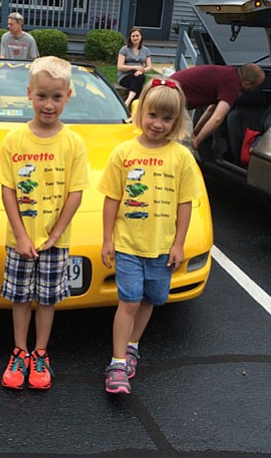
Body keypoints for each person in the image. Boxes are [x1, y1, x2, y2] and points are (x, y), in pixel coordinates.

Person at [0, 56, 89, 390]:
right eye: (42, 96)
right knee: (20, 298)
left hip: (54, 242)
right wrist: (20, 235)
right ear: (29, 93)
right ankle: (19, 352)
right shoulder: (14, 140)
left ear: (68, 96)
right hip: (20, 240)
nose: (49, 104)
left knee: (47, 300)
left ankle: (41, 353)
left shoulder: (73, 143)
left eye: (57, 97)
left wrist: (56, 233)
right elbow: (7, 189)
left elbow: (75, 193)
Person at [98, 77, 200, 395]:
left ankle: (132, 346)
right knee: (128, 301)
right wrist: (107, 239)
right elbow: (111, 199)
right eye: (152, 115)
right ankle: (116, 364)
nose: (158, 124)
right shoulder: (123, 152)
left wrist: (179, 243)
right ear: (140, 112)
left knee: (149, 300)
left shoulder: (182, 157)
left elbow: (185, 205)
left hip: (162, 247)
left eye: (167, 118)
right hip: (129, 244)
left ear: (177, 120)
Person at [169, 63, 265, 148]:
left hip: (170, 90)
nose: (256, 90)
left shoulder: (229, 74)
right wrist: (196, 142)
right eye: (257, 86)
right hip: (172, 96)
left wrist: (195, 133)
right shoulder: (232, 84)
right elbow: (217, 118)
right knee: (184, 146)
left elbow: (211, 110)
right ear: (248, 83)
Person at [117, 27, 154, 107]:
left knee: (141, 78)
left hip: (138, 75)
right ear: (130, 38)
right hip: (125, 76)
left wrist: (142, 70)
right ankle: (134, 105)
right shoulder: (124, 49)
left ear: (141, 37)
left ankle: (127, 102)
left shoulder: (146, 50)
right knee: (138, 86)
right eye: (133, 36)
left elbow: (149, 67)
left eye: (137, 35)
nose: (135, 38)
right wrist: (134, 67)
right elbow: (120, 67)